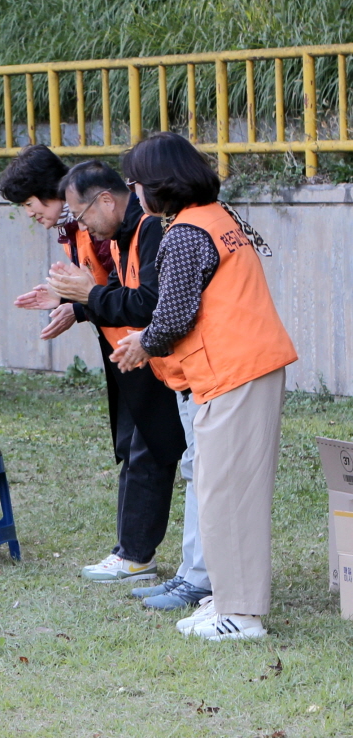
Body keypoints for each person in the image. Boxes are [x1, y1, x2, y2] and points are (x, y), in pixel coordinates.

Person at [112, 133, 296, 641]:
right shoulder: (216, 217)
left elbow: (173, 316)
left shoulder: (185, 232)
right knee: (223, 494)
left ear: (157, 183)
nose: (134, 193)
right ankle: (227, 600)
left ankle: (241, 614)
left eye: (135, 183)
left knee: (226, 496)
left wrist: (142, 343)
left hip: (235, 372)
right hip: (244, 368)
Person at [44, 161, 191, 596]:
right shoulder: (122, 234)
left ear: (106, 200)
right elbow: (121, 295)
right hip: (138, 358)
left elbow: (149, 303)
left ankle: (141, 557)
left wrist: (86, 295)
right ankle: (132, 552)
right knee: (134, 448)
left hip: (165, 363)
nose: (82, 225)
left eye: (81, 214)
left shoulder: (150, 229)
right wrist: (79, 305)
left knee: (151, 453)